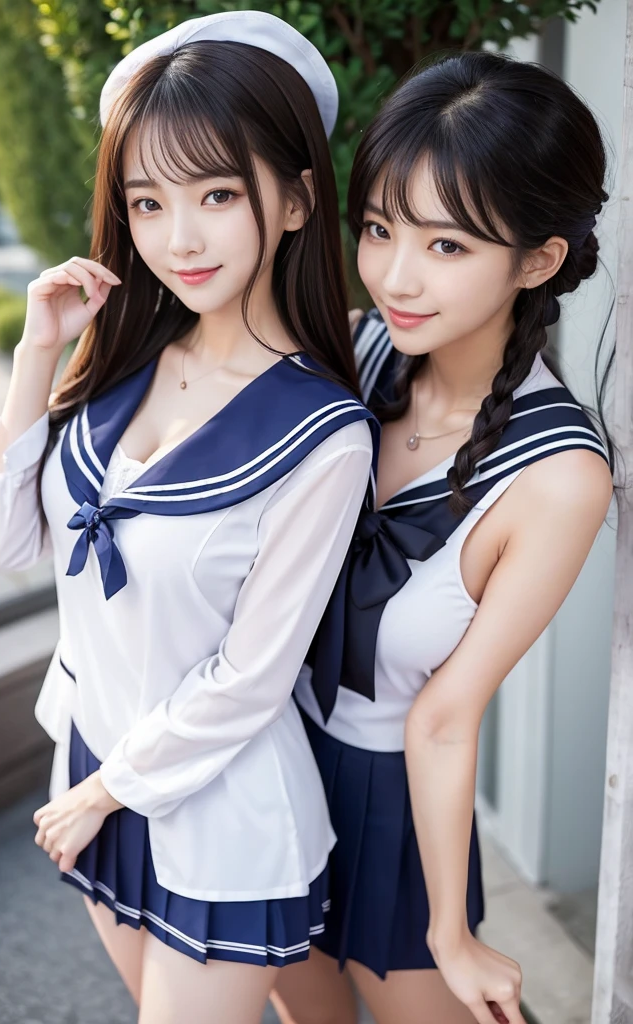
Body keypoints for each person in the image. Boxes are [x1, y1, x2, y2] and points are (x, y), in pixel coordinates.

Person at [0, 12, 377, 1024]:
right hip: (95, 759)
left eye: (217, 194)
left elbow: (250, 676)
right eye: (147, 202)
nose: (177, 238)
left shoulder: (320, 434)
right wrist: (35, 360)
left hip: (216, 812)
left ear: (292, 201)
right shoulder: (118, 367)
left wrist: (103, 795)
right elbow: (9, 545)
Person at [273, 50, 613, 1024]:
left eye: (446, 245)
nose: (394, 273)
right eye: (378, 229)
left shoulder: (555, 476)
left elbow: (443, 714)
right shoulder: (355, 346)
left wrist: (450, 935)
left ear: (538, 258)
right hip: (265, 767)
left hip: (390, 807)